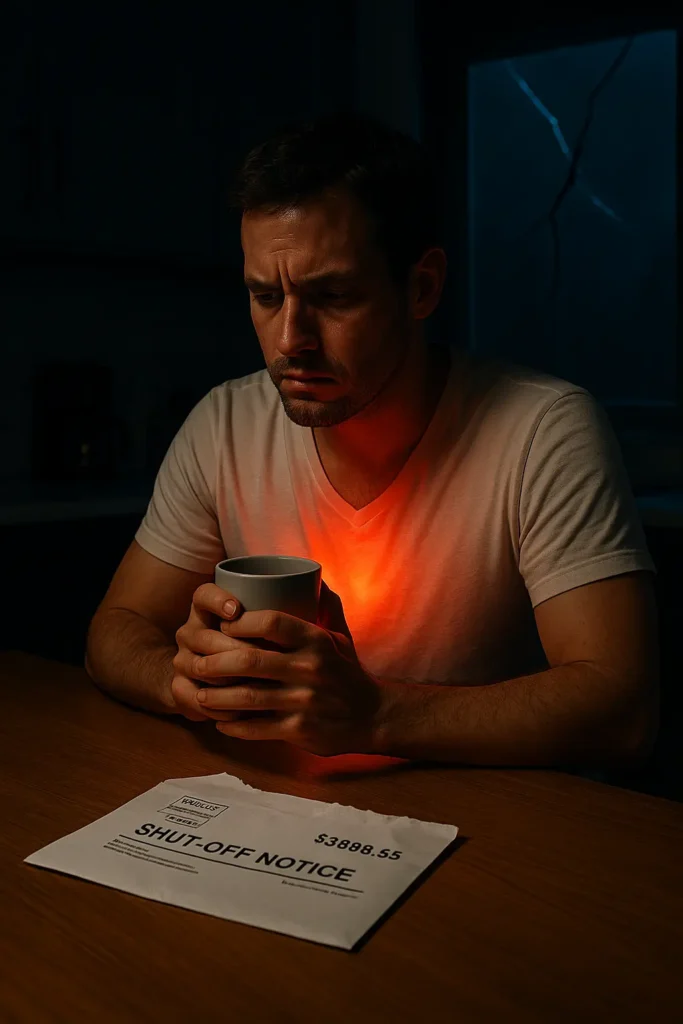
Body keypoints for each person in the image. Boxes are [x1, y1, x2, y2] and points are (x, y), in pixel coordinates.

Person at [85, 111, 659, 773]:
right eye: (265, 296)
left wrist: (376, 716)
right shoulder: (224, 424)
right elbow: (115, 630)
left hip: (489, 811)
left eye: (332, 296)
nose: (290, 339)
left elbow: (622, 709)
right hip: (281, 803)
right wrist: (187, 682)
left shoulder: (542, 431)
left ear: (421, 287)